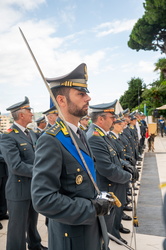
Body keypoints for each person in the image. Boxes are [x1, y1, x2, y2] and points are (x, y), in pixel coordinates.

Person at [31, 63, 111, 250]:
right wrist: (91, 208)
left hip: (91, 228)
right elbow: (43, 199)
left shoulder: (80, 133)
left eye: (86, 93)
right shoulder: (51, 140)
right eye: (81, 94)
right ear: (61, 100)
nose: (88, 98)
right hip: (72, 236)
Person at [0, 97, 47, 250]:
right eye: (29, 111)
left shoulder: (31, 134)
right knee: (17, 228)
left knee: (32, 221)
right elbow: (15, 166)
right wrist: (41, 172)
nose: (32, 114)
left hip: (33, 187)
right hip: (18, 190)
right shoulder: (8, 135)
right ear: (21, 115)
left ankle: (35, 245)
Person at [86, 101, 133, 245]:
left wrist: (127, 166)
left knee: (112, 217)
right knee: (105, 224)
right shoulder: (95, 137)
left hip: (113, 184)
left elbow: (115, 157)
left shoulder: (102, 135)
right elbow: (106, 168)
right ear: (101, 119)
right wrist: (128, 176)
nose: (114, 120)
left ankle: (112, 236)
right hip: (107, 186)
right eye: (111, 117)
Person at [0, 132, 8, 230]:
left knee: (2, 193)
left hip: (3, 170)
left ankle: (2, 213)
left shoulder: (2, 135)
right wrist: (6, 157)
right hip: (2, 162)